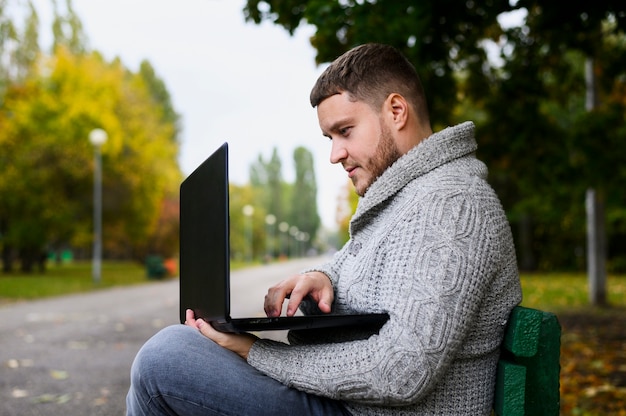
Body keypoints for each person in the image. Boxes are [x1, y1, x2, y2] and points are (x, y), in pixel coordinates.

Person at [126, 43, 522, 415]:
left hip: (364, 411)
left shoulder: (452, 206)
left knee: (165, 358)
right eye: (329, 138)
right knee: (172, 357)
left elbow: (401, 373)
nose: (335, 155)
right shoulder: (404, 198)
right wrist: (321, 276)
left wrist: (254, 351)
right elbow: (360, 266)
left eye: (345, 131)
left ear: (396, 111)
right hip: (343, 404)